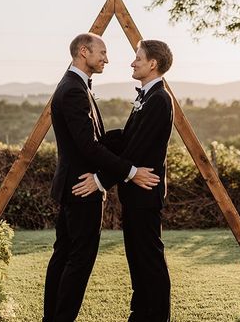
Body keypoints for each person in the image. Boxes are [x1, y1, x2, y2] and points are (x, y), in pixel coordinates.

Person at [43, 33, 160, 322]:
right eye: (102, 52)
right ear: (84, 52)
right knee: (78, 260)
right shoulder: (73, 90)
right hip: (82, 187)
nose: (107, 58)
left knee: (64, 255)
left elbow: (96, 140)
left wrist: (123, 139)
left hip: (74, 184)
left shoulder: (74, 86)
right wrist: (130, 172)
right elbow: (88, 146)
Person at [72, 39, 175, 322]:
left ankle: (154, 317)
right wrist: (94, 141)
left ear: (152, 64)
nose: (132, 62)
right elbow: (127, 139)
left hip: (146, 192)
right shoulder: (147, 97)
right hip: (135, 194)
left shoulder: (160, 100)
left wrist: (100, 179)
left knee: (149, 259)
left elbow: (136, 149)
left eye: (138, 58)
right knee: (138, 259)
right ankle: (140, 313)